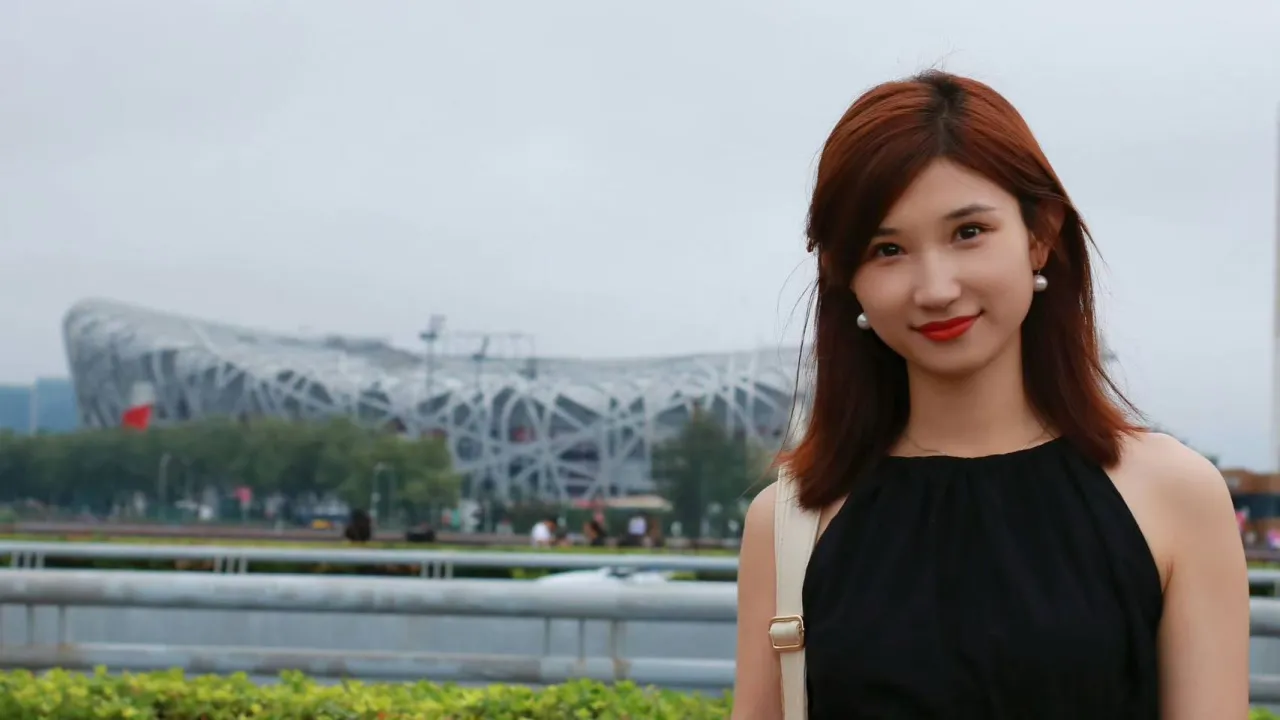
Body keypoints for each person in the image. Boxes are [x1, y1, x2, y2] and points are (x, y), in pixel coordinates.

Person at [732, 70, 1249, 719]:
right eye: (887, 249)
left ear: (1041, 235)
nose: (936, 288)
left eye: (968, 232)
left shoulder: (1174, 496)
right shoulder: (789, 523)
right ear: (846, 277)